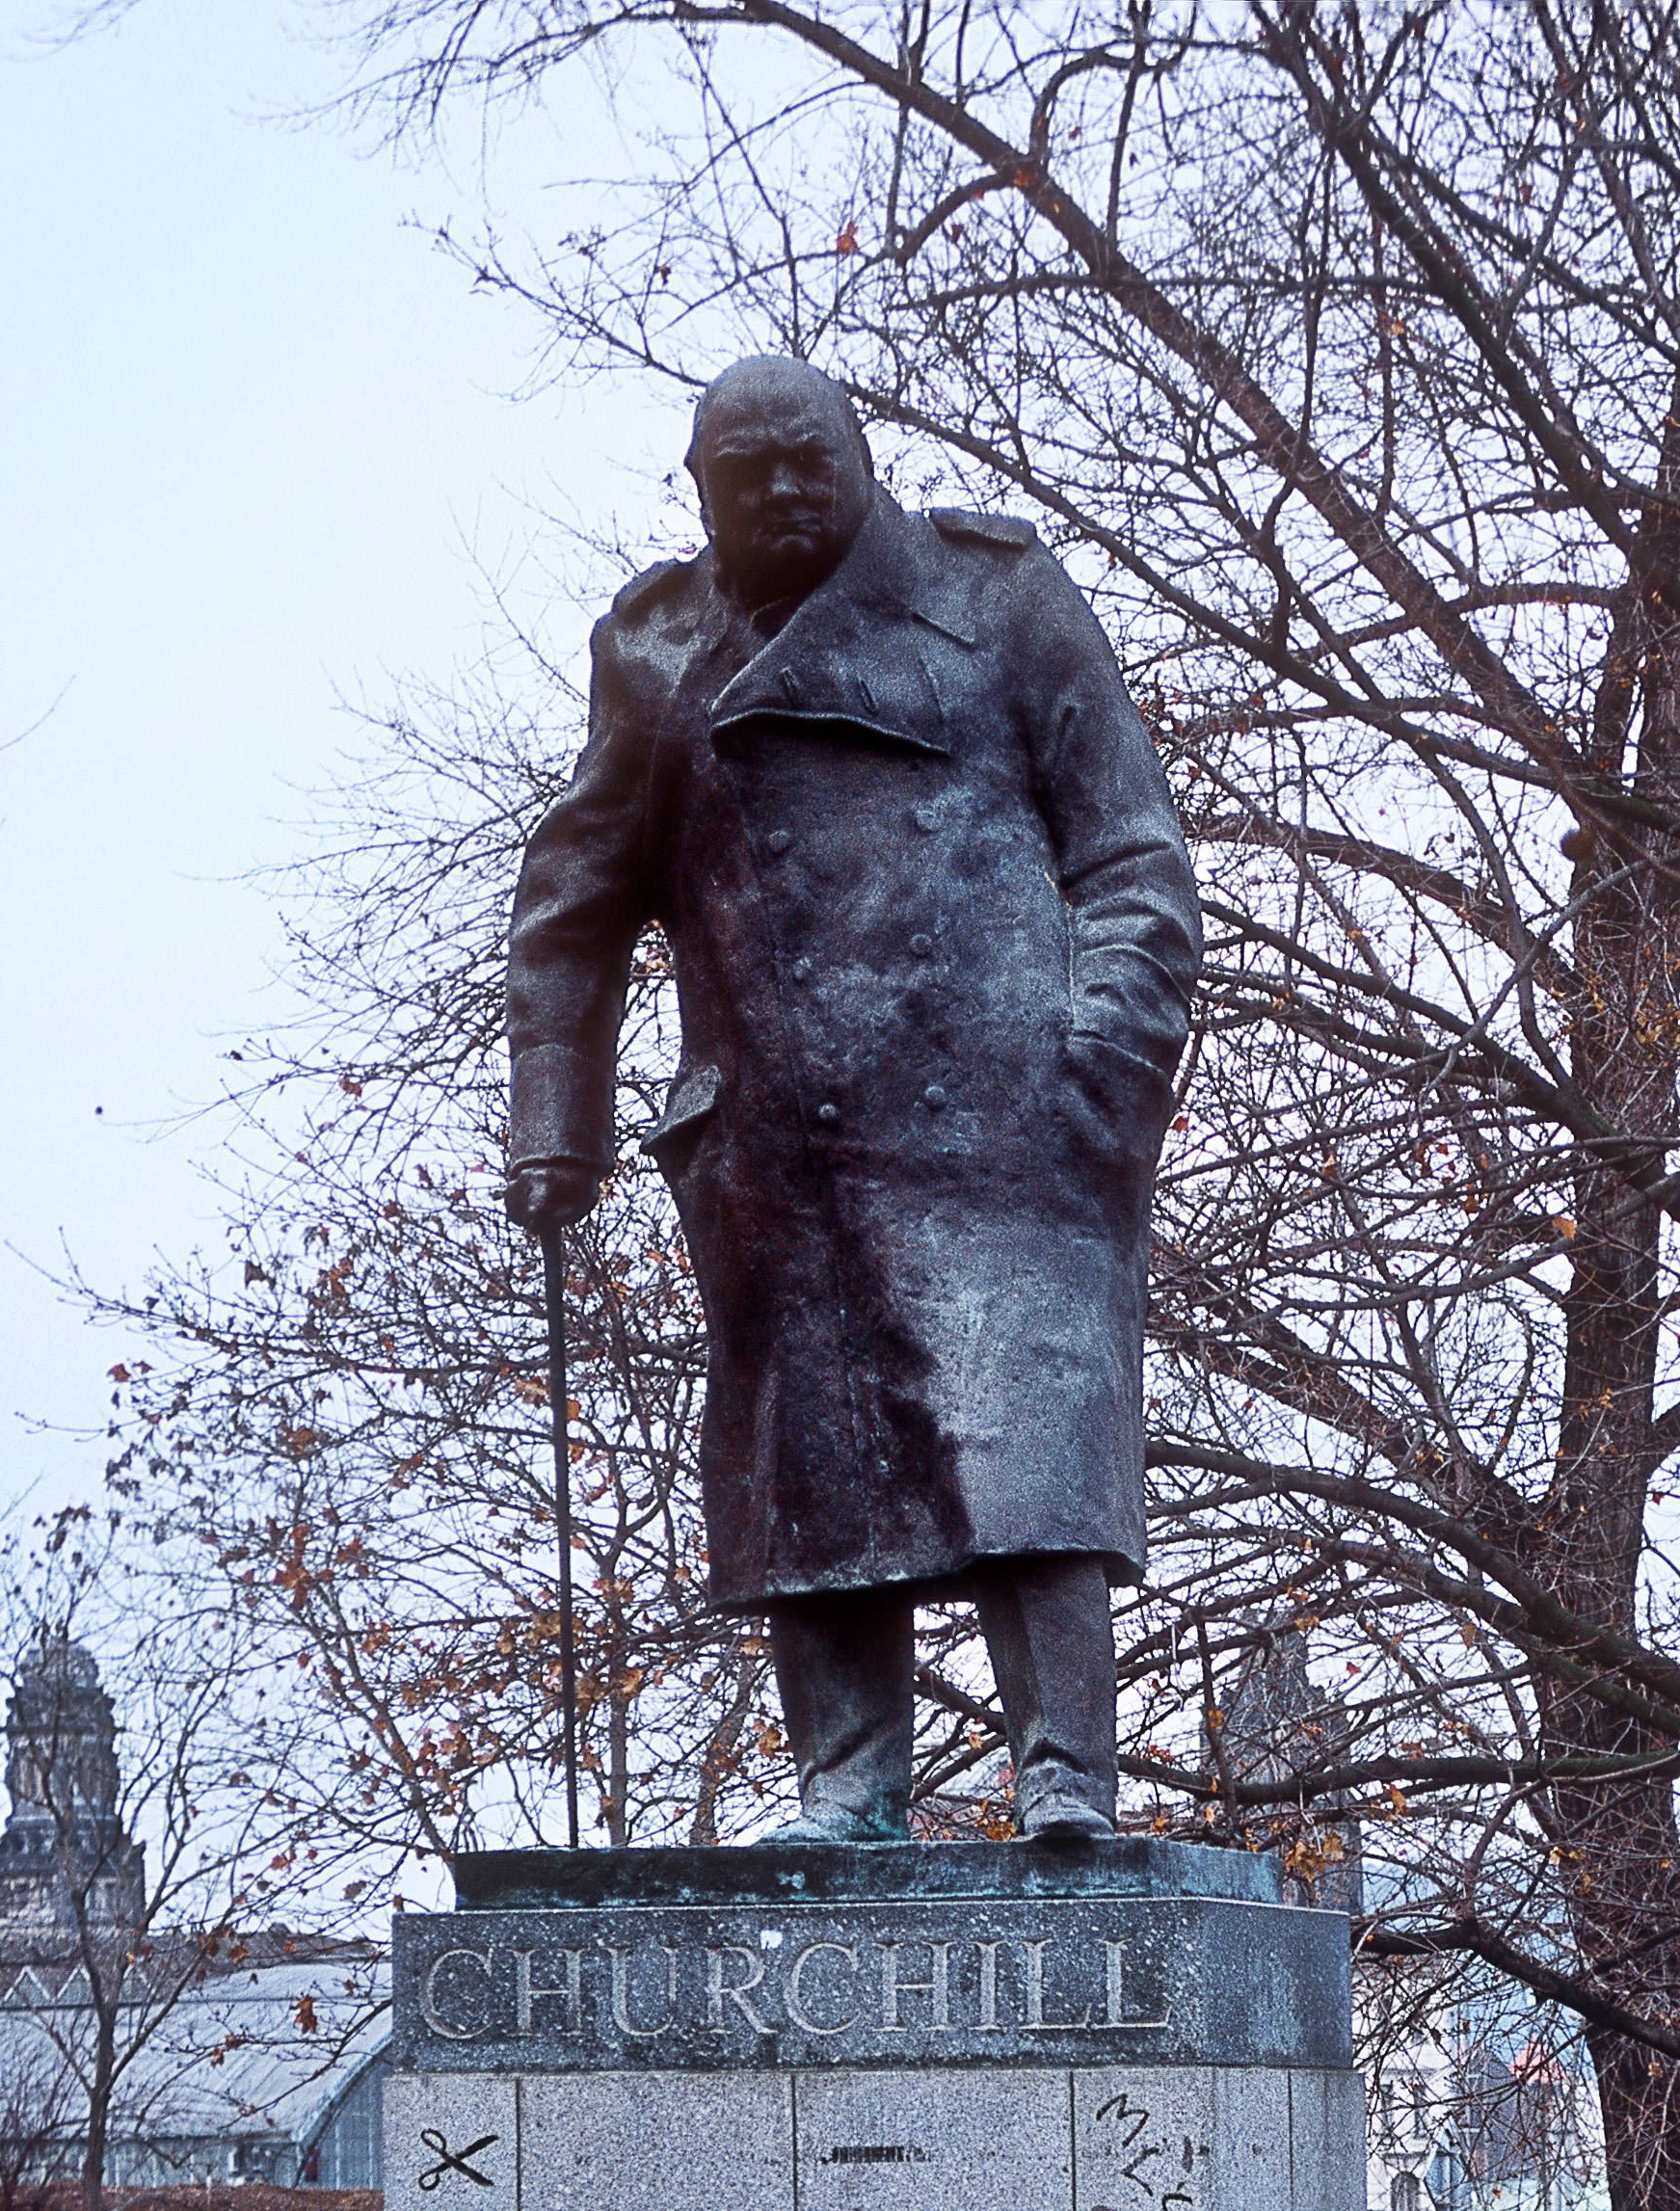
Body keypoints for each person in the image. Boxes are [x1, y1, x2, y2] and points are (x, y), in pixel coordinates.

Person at [505, 353, 1204, 1842]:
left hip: (1010, 1125)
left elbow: (1132, 857)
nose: (781, 487)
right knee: (805, 1472)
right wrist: (556, 1121)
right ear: (697, 488)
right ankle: (846, 1786)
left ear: (860, 453)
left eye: (806, 454)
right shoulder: (658, 654)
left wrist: (1104, 1071)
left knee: (1029, 1451)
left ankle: (1066, 1774)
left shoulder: (999, 599)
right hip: (778, 1134)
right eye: (744, 468)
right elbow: (571, 900)